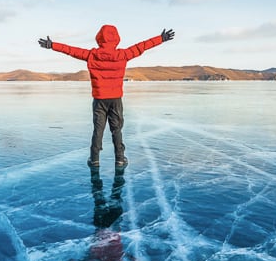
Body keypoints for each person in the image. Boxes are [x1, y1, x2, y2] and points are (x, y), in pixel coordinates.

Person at [38, 25, 174, 167]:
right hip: (115, 100)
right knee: (116, 129)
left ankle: (94, 159)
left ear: (99, 38)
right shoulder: (123, 55)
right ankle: (120, 159)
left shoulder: (91, 55)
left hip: (99, 100)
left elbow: (71, 51)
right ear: (116, 39)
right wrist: (160, 39)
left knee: (98, 129)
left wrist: (52, 45)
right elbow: (142, 46)